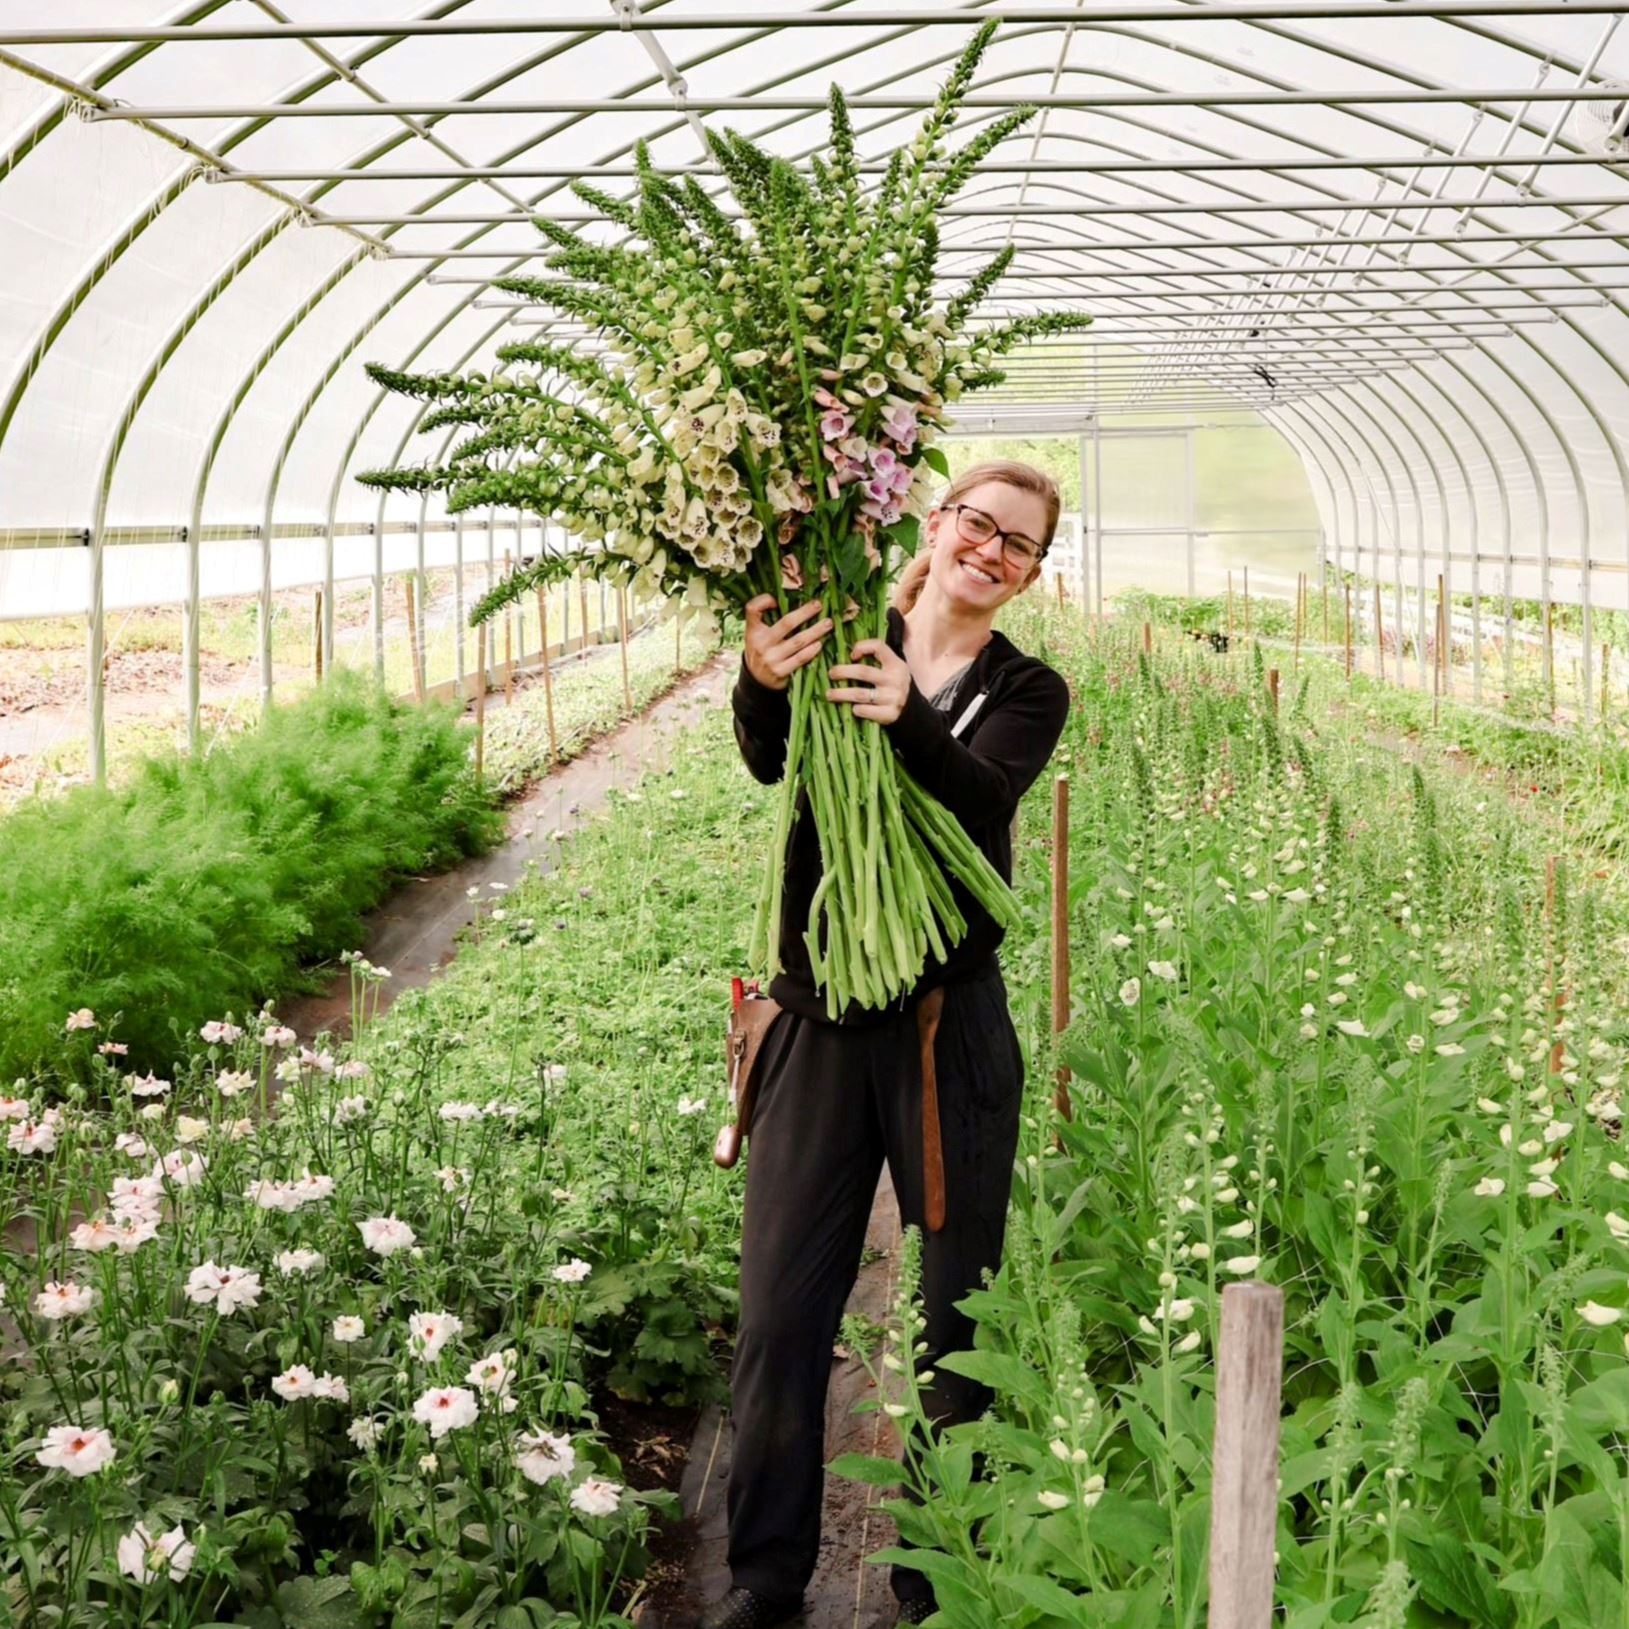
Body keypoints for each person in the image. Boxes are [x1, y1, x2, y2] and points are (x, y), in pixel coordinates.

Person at [702, 463, 1071, 1629]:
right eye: (977, 522)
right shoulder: (845, 631)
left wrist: (906, 711)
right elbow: (771, 760)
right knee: (777, 1315)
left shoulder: (1028, 687)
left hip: (945, 1029)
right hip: (816, 1020)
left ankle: (932, 1576)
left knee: (959, 1318)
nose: (991, 549)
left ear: (1028, 575)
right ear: (935, 521)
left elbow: (980, 794)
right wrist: (761, 684)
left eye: (1019, 544)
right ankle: (765, 1580)